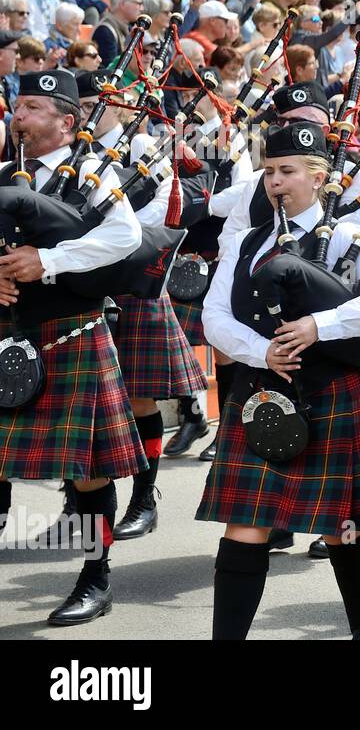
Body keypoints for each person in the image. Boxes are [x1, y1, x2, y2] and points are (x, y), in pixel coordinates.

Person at [197, 121, 360, 639]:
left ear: (318, 177)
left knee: (345, 525)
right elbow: (214, 316)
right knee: (245, 522)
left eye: (287, 171)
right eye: (269, 171)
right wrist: (262, 352)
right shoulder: (249, 241)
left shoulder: (348, 233)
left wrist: (321, 325)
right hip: (263, 389)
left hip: (335, 388)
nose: (275, 182)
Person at [0, 69, 144, 626]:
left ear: (67, 121)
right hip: (7, 334)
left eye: (33, 106)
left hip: (69, 334)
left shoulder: (91, 174)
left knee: (86, 470)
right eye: (18, 105)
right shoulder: (2, 173)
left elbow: (124, 238)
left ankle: (95, 576)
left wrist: (48, 262)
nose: (20, 115)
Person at [72, 70, 208, 540]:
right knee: (83, 400)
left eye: (99, 102)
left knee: (138, 395)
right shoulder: (73, 154)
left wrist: (106, 241)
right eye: (87, 102)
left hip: (130, 281)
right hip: (77, 284)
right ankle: (80, 503)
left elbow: (165, 210)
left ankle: (144, 498)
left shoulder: (144, 149)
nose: (92, 110)